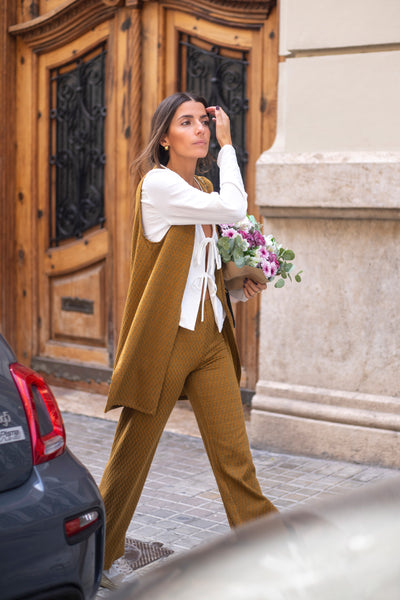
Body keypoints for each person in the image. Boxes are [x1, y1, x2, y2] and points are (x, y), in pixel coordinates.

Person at [99, 92, 278, 589]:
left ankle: (271, 545)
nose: (200, 129)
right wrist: (228, 147)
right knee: (132, 454)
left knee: (233, 455)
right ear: (165, 138)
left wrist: (239, 286)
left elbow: (202, 271)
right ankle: (98, 555)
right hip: (166, 341)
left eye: (204, 121)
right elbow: (234, 207)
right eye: (187, 122)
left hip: (209, 338)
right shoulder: (157, 185)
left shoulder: (198, 185)